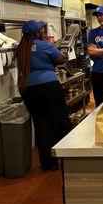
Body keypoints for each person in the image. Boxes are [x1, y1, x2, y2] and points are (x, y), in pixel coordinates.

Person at [17, 20, 72, 171]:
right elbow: (61, 59)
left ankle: (48, 164)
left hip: (29, 90)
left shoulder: (21, 48)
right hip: (49, 87)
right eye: (41, 30)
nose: (43, 32)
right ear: (37, 33)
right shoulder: (44, 45)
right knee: (60, 122)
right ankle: (71, 158)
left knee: (41, 127)